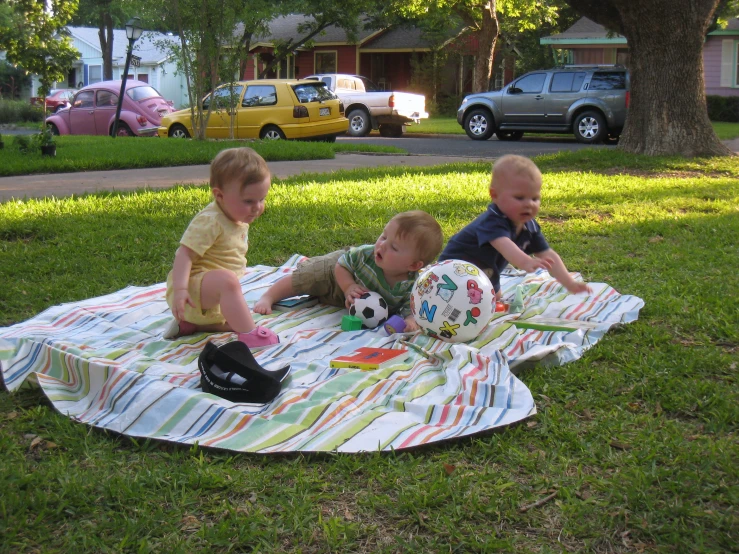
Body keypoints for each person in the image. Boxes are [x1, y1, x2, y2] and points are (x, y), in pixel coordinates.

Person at [163, 147, 279, 348]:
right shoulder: (211, 221)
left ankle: (192, 325)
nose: (257, 207)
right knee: (227, 282)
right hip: (191, 291)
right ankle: (250, 334)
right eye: (248, 201)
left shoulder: (234, 215)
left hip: (207, 301)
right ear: (219, 195)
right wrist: (181, 290)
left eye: (262, 199)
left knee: (232, 299)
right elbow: (184, 254)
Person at [254, 211, 444, 332]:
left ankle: (322, 296)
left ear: (413, 266)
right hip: (336, 274)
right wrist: (348, 286)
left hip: (345, 301)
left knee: (319, 297)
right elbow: (342, 264)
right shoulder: (366, 254)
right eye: (383, 236)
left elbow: (408, 306)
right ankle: (269, 295)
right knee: (306, 279)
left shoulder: (412, 285)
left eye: (393, 247)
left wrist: (410, 320)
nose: (382, 245)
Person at [439, 154, 591, 299]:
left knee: (495, 300)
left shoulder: (529, 227)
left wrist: (569, 283)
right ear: (494, 195)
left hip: (485, 271)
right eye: (519, 197)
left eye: (535, 198)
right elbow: (504, 244)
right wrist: (526, 262)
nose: (529, 204)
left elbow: (548, 255)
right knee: (472, 302)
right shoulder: (492, 220)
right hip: (454, 269)